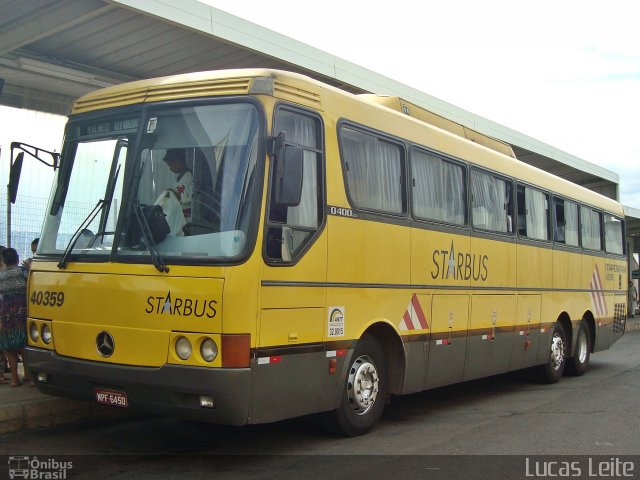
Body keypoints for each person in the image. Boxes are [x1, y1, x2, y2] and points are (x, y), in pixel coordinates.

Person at [0, 248, 30, 386]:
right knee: (24, 345)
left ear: (4, 261)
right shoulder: (23, 272)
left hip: (5, 314)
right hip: (22, 313)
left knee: (9, 348)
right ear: (17, 259)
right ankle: (28, 376)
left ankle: (14, 379)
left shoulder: (0, 276)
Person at [162, 149, 193, 222]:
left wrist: (173, 194)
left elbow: (188, 199)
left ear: (178, 161)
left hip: (187, 218)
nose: (170, 168)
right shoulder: (178, 178)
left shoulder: (188, 177)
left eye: (170, 165)